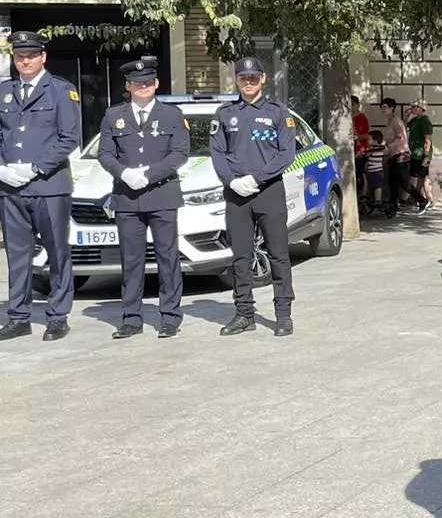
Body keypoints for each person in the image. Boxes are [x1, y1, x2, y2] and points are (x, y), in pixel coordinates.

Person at [97, 57, 190, 339]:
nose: (143, 87)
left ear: (156, 84)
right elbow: (105, 153)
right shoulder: (113, 115)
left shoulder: (172, 115)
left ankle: (170, 316)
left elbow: (180, 153)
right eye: (138, 83)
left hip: (162, 195)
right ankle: (131, 318)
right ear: (128, 86)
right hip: (127, 198)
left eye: (148, 82)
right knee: (132, 260)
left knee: (167, 258)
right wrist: (124, 173)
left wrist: (149, 174)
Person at [0, 30, 82, 341]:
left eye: (31, 55)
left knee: (57, 252)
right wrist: (3, 169)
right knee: (17, 255)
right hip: (10, 188)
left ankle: (58, 316)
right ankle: (19, 316)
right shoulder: (3, 91)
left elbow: (68, 138)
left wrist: (35, 167)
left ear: (42, 57)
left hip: (49, 186)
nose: (25, 61)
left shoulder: (61, 90)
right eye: (20, 56)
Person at [210, 57, 298, 337]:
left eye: (253, 77)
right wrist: (232, 181)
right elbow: (218, 153)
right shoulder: (224, 114)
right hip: (236, 194)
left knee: (278, 255)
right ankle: (244, 313)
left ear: (263, 79)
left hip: (269, 191)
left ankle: (283, 314)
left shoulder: (278, 113)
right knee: (241, 257)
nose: (248, 82)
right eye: (243, 78)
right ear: (236, 80)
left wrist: (257, 178)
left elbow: (286, 153)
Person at [406, 101, 434, 213]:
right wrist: (406, 116)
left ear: (420, 108)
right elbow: (405, 127)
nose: (411, 108)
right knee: (418, 177)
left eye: (414, 107)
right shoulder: (415, 120)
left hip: (421, 153)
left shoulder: (425, 121)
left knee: (423, 177)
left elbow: (427, 139)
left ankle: (429, 200)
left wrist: (426, 156)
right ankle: (422, 199)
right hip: (415, 152)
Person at [363, 131, 387, 212]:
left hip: (377, 171)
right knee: (373, 186)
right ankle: (374, 200)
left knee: (377, 186)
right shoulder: (372, 149)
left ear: (375, 140)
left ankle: (378, 201)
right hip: (371, 171)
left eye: (369, 139)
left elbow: (385, 149)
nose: (368, 141)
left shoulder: (379, 149)